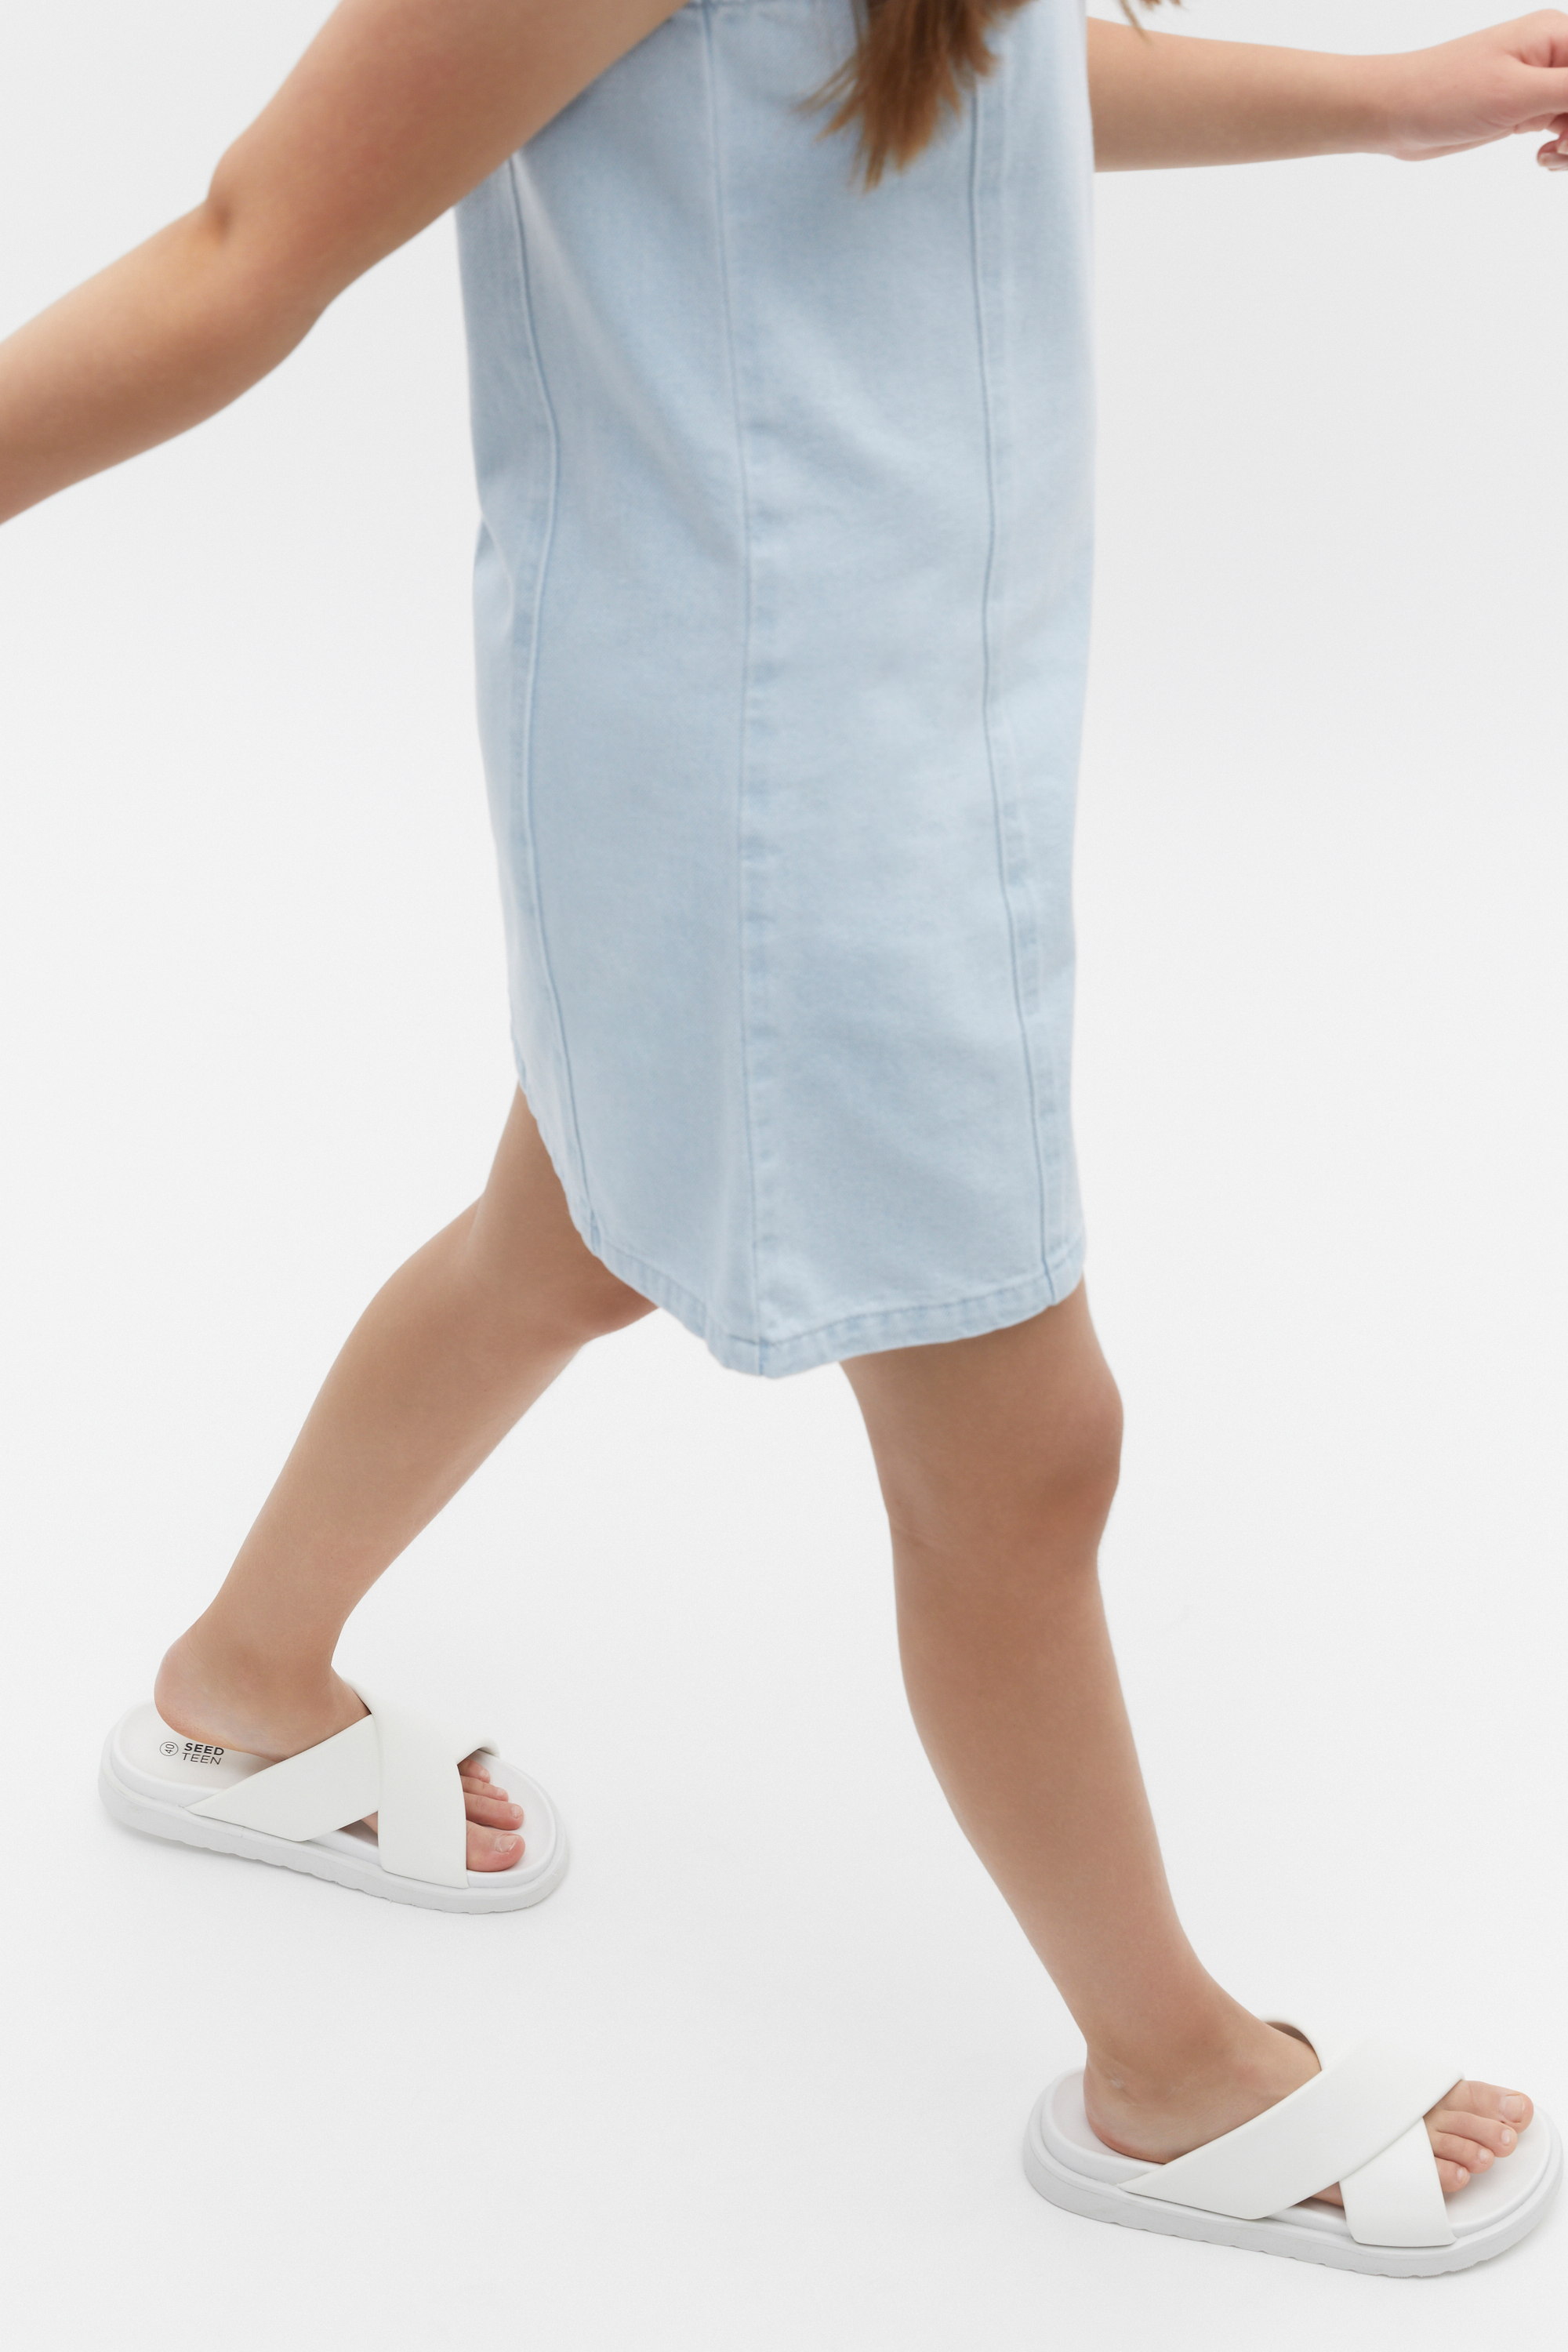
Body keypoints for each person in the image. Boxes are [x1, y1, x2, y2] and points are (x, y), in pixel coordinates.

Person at [6, 0, 1562, 2274]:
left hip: (834, 714)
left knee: (565, 1238)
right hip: (790, 774)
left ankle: (244, 1685)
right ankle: (1169, 2075)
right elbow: (251, 240)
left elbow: (955, 72)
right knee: (1024, 1454)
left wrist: (1383, 108)